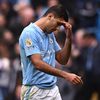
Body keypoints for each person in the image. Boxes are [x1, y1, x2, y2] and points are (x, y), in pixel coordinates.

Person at [19, 5, 83, 100]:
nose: (57, 29)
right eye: (58, 24)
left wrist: (69, 38)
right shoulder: (29, 33)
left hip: (52, 89)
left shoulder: (49, 35)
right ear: (50, 17)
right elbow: (37, 64)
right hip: (35, 90)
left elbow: (62, 60)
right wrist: (66, 75)